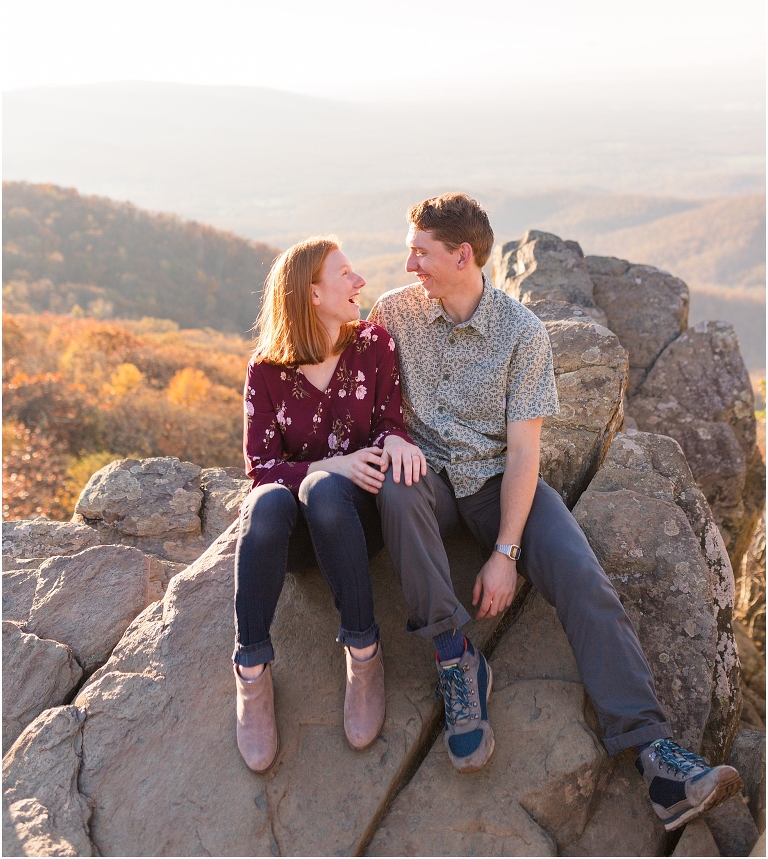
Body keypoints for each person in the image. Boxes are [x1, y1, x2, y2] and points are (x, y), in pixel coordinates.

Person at [368, 192, 742, 832]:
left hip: (497, 484)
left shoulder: (522, 333)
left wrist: (506, 555)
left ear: (463, 255)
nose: (408, 266)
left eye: (420, 254)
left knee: (584, 580)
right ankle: (456, 658)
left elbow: (523, 452)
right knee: (396, 494)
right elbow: (352, 387)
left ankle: (658, 760)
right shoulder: (393, 316)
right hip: (424, 478)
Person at [234, 236, 426, 772]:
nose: (360, 283)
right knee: (268, 503)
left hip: (355, 525)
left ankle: (363, 657)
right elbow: (261, 467)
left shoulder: (373, 344)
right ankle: (252, 673)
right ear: (312, 294)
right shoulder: (266, 371)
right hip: (293, 540)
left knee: (323, 493)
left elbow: (390, 421)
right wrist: (330, 465)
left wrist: (395, 440)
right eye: (347, 274)